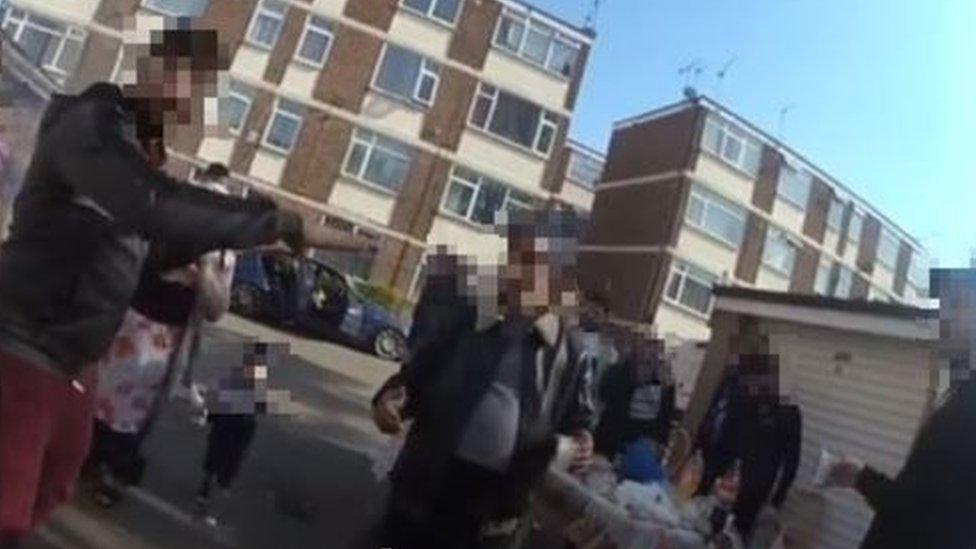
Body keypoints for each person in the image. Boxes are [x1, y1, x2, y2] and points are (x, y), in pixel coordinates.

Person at [0, 28, 366, 545]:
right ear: (155, 72)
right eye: (192, 87)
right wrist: (280, 222)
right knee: (8, 508)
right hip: (23, 342)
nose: (193, 106)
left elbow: (149, 256)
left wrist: (245, 247)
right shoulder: (93, 124)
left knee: (55, 484)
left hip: (74, 360)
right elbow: (154, 207)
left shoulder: (142, 154)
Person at [369, 208, 597, 549]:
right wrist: (389, 403)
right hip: (427, 485)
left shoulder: (571, 352)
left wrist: (582, 442)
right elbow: (412, 380)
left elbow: (579, 422)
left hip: (495, 512)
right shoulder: (467, 317)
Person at [84, 162, 237, 507]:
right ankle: (83, 456)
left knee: (134, 414)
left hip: (167, 341)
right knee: (94, 393)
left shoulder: (221, 254)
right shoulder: (157, 223)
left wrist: (205, 272)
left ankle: (112, 468)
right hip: (122, 322)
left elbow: (215, 309)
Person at [824, 268, 976, 549]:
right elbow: (920, 498)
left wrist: (863, 478)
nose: (943, 321)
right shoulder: (957, 394)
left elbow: (929, 519)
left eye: (956, 307)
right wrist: (862, 477)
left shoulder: (968, 408)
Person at [194, 341, 276, 527]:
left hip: (227, 428)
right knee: (224, 473)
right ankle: (210, 505)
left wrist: (210, 418)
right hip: (236, 431)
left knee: (215, 466)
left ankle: (205, 496)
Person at [593, 337, 675, 459]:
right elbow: (603, 395)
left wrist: (661, 446)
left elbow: (665, 419)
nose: (649, 362)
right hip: (611, 442)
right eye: (643, 359)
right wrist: (631, 379)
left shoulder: (664, 385)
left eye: (654, 358)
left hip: (642, 449)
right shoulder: (617, 372)